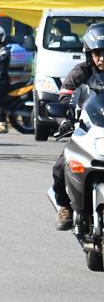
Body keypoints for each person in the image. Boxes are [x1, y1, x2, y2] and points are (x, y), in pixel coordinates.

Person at [52, 23, 104, 229]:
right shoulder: (80, 72)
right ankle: (65, 206)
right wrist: (64, 121)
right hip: (88, 129)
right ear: (88, 53)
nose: (102, 58)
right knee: (60, 166)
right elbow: (65, 97)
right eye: (97, 53)